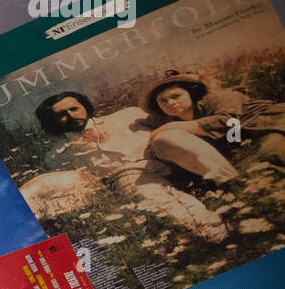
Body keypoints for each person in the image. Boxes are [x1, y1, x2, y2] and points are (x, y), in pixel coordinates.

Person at [32, 89, 230, 240]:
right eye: (62, 114)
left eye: (74, 108)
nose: (71, 115)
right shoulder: (58, 156)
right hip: (130, 176)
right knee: (158, 200)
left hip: (169, 158)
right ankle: (213, 232)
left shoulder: (126, 115)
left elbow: (177, 121)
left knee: (169, 136)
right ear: (53, 121)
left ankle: (230, 182)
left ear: (84, 106)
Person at [144, 69, 285, 173]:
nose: (170, 103)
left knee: (270, 158)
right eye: (163, 101)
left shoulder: (217, 98)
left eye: (176, 96)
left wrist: (172, 126)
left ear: (191, 94)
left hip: (271, 125)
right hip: (244, 145)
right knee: (249, 174)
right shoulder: (175, 122)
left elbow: (230, 122)